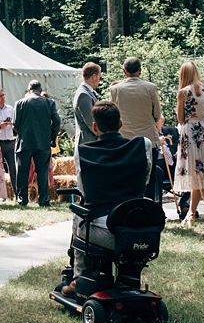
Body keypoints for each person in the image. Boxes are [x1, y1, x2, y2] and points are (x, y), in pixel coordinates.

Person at [63, 101, 151, 294]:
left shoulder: (84, 152)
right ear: (120, 123)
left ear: (95, 127)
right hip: (139, 227)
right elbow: (144, 181)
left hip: (107, 230)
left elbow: (86, 192)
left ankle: (79, 277)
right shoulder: (143, 145)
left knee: (80, 215)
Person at [109, 57, 163, 200]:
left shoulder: (115, 90)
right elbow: (157, 115)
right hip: (148, 139)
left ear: (124, 71)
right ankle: (149, 209)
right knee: (149, 179)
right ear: (140, 70)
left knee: (126, 178)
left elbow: (113, 116)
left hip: (124, 141)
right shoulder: (150, 88)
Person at [175, 61, 204, 230]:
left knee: (200, 176)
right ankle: (191, 214)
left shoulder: (183, 93)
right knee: (200, 175)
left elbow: (180, 118)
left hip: (192, 132)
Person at [14, 80, 61, 206]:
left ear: (29, 89)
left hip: (25, 141)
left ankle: (22, 199)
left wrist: (22, 133)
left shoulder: (20, 103)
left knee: (22, 171)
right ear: (40, 90)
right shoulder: (49, 102)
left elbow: (16, 124)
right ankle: (44, 199)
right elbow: (56, 121)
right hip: (43, 141)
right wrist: (52, 137)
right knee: (42, 172)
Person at [0, 88, 17, 196]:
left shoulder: (10, 109)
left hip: (10, 141)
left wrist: (12, 124)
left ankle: (17, 193)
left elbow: (16, 122)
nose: (2, 98)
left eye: (3, 95)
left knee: (13, 168)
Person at [73, 62, 101, 153]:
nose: (99, 80)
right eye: (99, 76)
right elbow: (90, 122)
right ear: (93, 77)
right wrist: (103, 136)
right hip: (88, 143)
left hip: (89, 142)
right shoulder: (83, 94)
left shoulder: (87, 92)